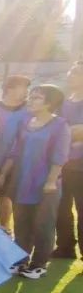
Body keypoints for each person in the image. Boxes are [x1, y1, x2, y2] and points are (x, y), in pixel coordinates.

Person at [0, 84, 70, 279]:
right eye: (31, 96)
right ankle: (20, 260)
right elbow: (14, 151)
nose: (30, 100)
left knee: (43, 225)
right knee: (21, 223)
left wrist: (51, 181)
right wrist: (3, 174)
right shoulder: (26, 121)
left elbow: (60, 156)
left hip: (45, 184)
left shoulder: (60, 125)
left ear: (49, 103)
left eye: (36, 97)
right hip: (22, 180)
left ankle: (39, 264)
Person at [0, 75, 31, 234]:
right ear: (9, 89)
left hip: (16, 162)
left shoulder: (28, 110)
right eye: (23, 88)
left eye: (27, 88)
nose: (26, 92)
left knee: (6, 196)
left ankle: (5, 229)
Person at [55, 62, 83, 261]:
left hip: (80, 165)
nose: (71, 75)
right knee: (61, 207)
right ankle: (65, 247)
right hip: (61, 164)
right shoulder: (64, 102)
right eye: (71, 72)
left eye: (77, 73)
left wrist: (68, 132)